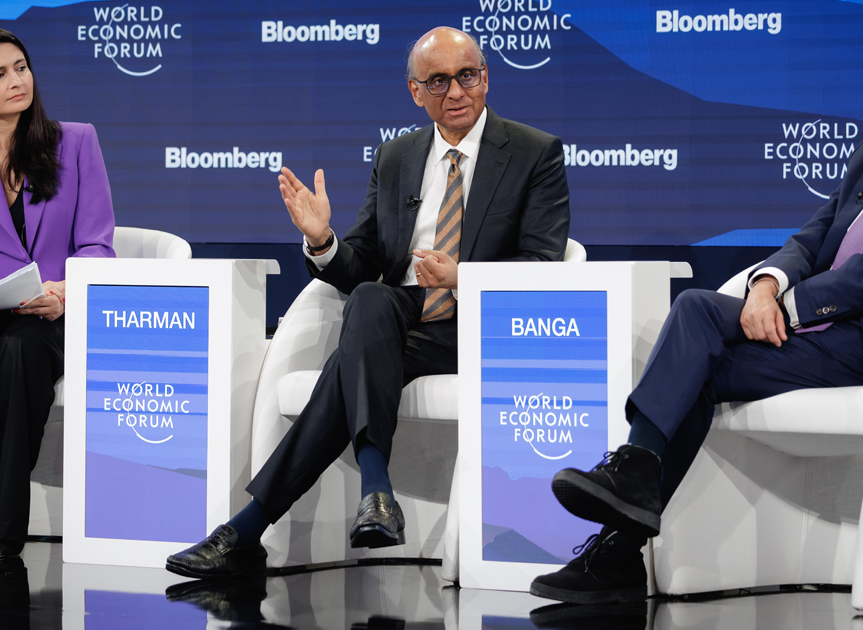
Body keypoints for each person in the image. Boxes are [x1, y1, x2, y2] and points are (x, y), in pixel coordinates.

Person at [531, 22, 863, 604]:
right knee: (697, 355)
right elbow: (811, 238)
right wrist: (766, 283)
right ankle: (621, 539)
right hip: (822, 334)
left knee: (697, 314)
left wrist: (787, 307)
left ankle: (629, 493)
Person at [166, 26, 571, 579]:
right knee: (375, 297)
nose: (455, 92)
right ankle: (368, 496)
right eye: (438, 81)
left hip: (483, 325)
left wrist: (464, 277)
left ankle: (256, 527)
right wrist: (322, 241)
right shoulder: (398, 155)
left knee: (347, 364)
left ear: (485, 78)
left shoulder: (533, 153)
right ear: (415, 92)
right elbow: (362, 264)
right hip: (400, 319)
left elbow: (545, 266)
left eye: (467, 76)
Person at [0, 26, 116, 558]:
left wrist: (62, 293)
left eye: (21, 68)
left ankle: (5, 528)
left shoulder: (76, 142)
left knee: (21, 349)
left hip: (50, 312)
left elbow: (98, 245)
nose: (17, 81)